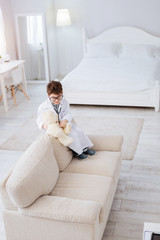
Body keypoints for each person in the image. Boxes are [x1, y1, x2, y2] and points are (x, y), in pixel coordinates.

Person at [36, 80, 96, 159]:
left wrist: (65, 120)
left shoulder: (64, 102)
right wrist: (46, 126)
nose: (57, 100)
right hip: (55, 129)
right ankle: (78, 152)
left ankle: (85, 148)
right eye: (54, 98)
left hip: (64, 125)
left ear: (62, 93)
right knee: (72, 135)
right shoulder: (43, 107)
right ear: (48, 95)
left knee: (78, 131)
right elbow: (39, 121)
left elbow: (68, 113)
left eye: (59, 97)